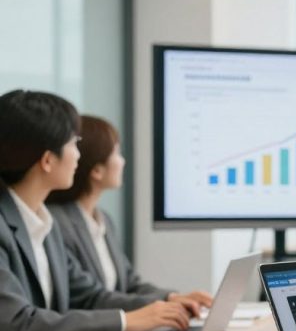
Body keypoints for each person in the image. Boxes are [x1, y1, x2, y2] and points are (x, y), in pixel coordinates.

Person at [0, 90, 207, 331]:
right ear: (48, 160)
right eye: (73, 143)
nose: (78, 155)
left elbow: (88, 296)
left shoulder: (43, 222)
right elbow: (14, 325)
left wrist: (159, 305)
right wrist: (125, 321)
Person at [46, 115, 213, 304]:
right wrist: (159, 307)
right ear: (97, 170)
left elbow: (129, 284)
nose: (122, 161)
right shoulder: (57, 223)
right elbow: (90, 297)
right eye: (116, 152)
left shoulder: (103, 220)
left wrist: (172, 297)